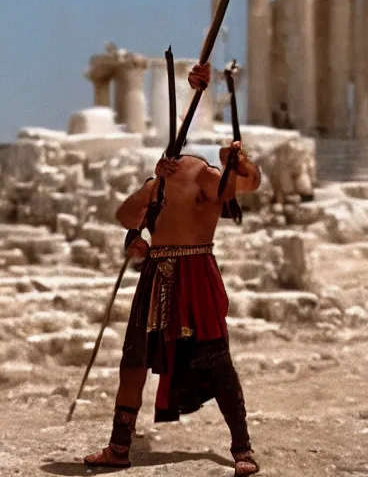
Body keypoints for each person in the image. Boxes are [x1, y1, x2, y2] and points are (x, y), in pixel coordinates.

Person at [82, 63, 263, 476]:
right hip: (156, 280)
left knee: (217, 362)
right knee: (133, 361)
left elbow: (249, 184)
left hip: (196, 276)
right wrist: (152, 186)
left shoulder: (207, 175)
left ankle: (242, 449)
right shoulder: (158, 182)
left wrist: (241, 160)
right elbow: (125, 216)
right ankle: (119, 446)